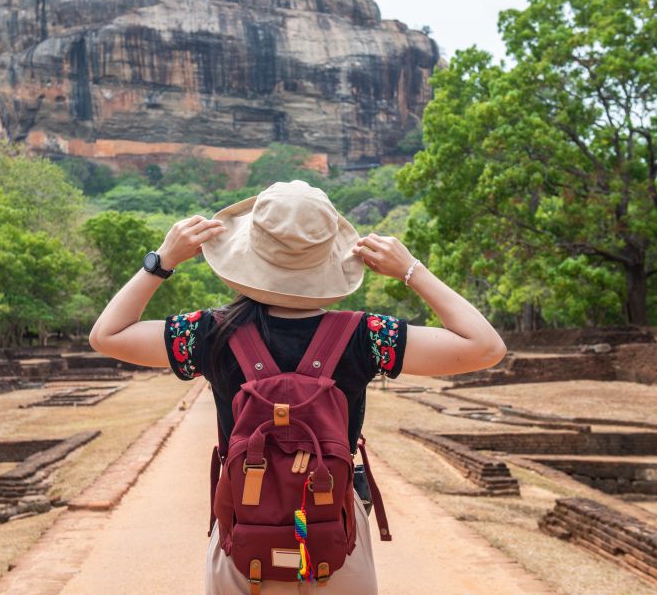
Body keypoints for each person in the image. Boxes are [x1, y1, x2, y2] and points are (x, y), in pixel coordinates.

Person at [89, 180, 506, 594]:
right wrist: (410, 270)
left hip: (242, 535)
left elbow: (107, 335)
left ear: (248, 253)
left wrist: (161, 261)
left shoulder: (210, 333)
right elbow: (485, 347)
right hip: (335, 537)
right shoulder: (366, 336)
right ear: (328, 257)